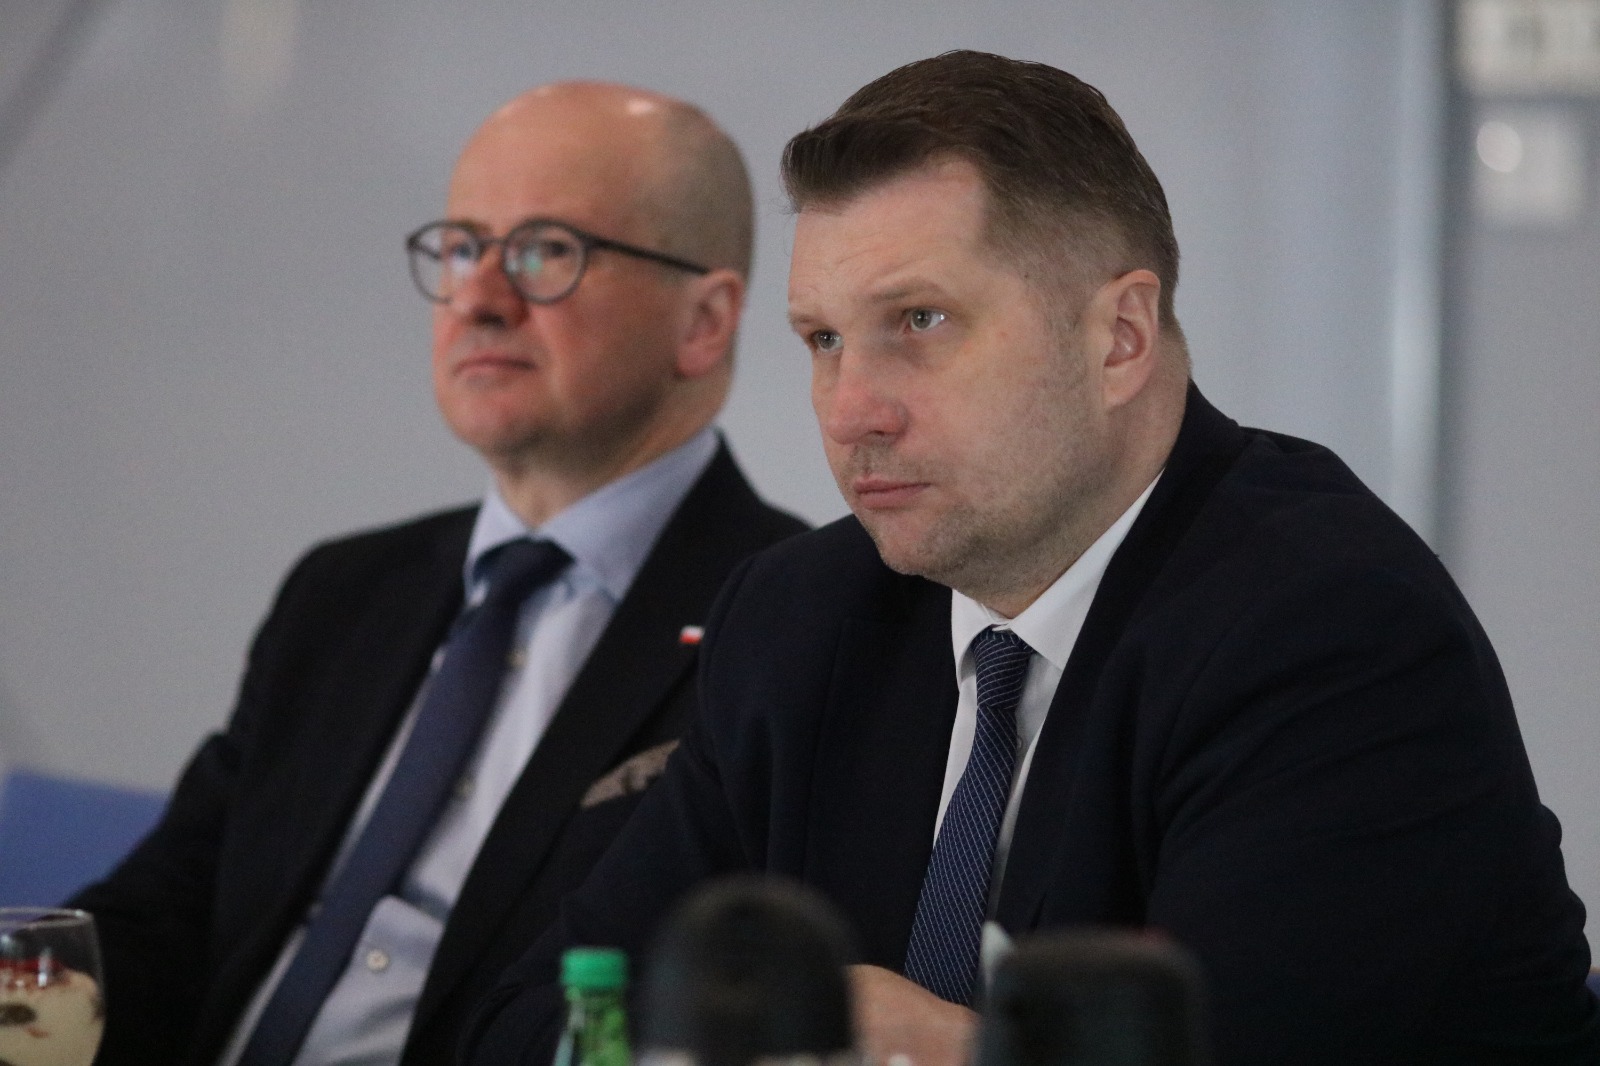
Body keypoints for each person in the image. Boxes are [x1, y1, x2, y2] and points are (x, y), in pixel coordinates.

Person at [463, 52, 1600, 1066]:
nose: (851, 410)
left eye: (920, 321)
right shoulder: (798, 618)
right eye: (824, 339)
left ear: (1119, 339)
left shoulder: (1329, 631)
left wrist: (945, 1051)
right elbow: (545, 1016)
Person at [70, 81, 804, 1066]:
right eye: (462, 248)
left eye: (547, 251)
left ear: (703, 322)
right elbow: (168, 912)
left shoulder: (795, 626)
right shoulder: (344, 592)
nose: (480, 299)